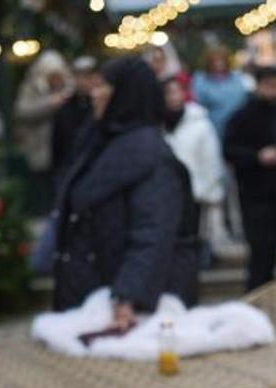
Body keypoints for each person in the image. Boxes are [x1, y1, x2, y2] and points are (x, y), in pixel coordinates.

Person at [51, 57, 197, 324]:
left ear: (123, 95)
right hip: (94, 291)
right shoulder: (101, 139)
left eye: (101, 87)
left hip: (124, 307)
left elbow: (153, 231)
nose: (94, 94)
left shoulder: (150, 155)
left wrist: (129, 296)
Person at [223, 66, 276, 291]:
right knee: (259, 245)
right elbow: (230, 149)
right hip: (254, 191)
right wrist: (258, 157)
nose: (273, 91)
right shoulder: (243, 116)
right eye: (269, 86)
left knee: (274, 243)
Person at [162, 76, 226, 264]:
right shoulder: (157, 126)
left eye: (177, 92)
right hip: (165, 195)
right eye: (168, 93)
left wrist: (208, 191)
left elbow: (211, 162)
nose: (173, 97)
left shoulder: (201, 125)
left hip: (194, 196)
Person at [14, 50, 72, 215]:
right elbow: (22, 111)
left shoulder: (69, 88)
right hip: (43, 152)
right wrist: (50, 104)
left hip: (67, 153)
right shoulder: (32, 89)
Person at [51, 55, 98, 182]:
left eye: (87, 77)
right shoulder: (65, 109)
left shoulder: (102, 107)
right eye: (79, 76)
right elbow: (58, 148)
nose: (83, 82)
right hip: (70, 173)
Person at [192, 45, 249, 139]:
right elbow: (198, 105)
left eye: (221, 60)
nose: (218, 64)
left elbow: (243, 100)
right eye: (215, 61)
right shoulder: (200, 80)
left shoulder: (237, 77)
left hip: (238, 128)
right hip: (213, 128)